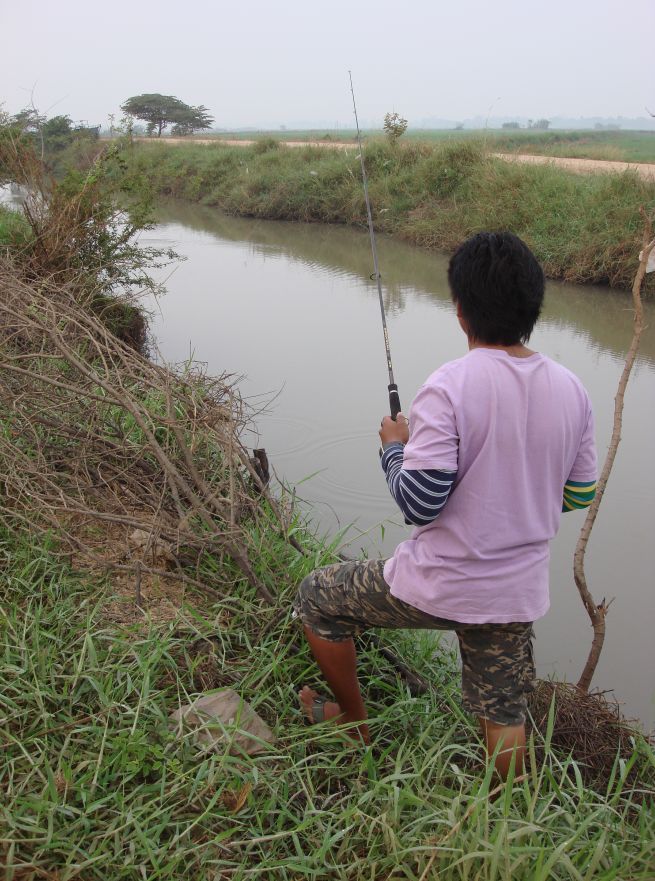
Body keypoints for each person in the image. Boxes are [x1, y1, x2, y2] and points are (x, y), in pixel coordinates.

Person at [295, 231, 597, 780]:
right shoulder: (572, 388)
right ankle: (509, 811)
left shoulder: (448, 386)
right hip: (514, 590)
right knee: (503, 710)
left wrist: (393, 448)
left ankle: (351, 724)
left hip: (440, 583)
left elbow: (419, 502)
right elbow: (579, 493)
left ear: (460, 311)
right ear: (534, 306)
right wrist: (519, 493)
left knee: (318, 597)